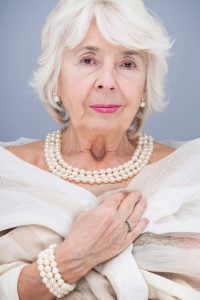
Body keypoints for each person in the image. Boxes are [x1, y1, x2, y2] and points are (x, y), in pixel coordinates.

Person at [0, 0, 200, 299]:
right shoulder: (8, 173)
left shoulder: (191, 172)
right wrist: (75, 256)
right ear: (56, 78)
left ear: (145, 86)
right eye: (88, 60)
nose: (107, 82)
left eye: (128, 64)